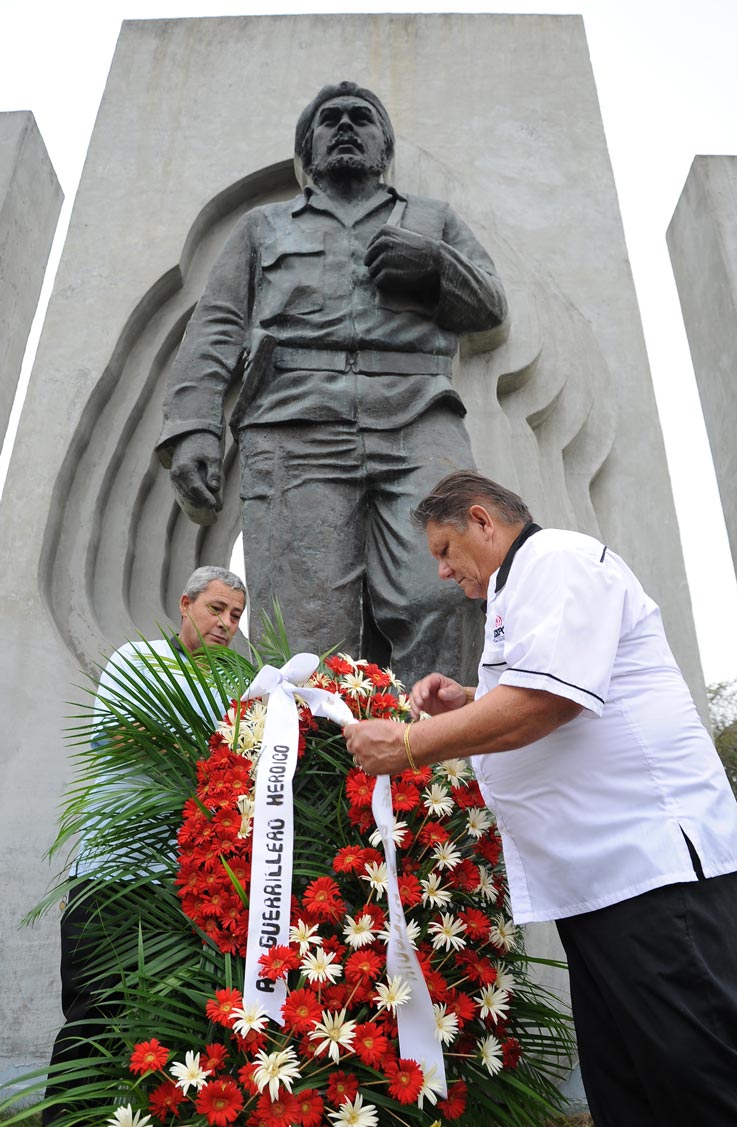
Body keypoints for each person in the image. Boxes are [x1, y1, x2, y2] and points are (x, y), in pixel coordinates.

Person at [343, 470, 737, 1126]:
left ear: (482, 520)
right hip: (601, 881)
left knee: (703, 1082)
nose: (443, 572)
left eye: (445, 550)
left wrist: (411, 744)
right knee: (633, 1092)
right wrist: (470, 700)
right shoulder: (516, 589)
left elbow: (548, 700)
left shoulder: (556, 560)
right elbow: (557, 687)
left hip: (652, 870)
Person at [156, 81, 508, 686]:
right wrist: (193, 428)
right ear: (308, 150)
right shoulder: (262, 227)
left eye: (362, 119)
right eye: (330, 120)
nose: (346, 126)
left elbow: (491, 306)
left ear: (384, 146)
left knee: (448, 593)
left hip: (418, 417)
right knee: (305, 631)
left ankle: (440, 771)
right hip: (294, 425)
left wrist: (434, 266)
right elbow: (215, 329)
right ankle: (319, 779)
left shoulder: (432, 220)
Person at [42, 566, 246, 1126]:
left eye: (235, 615)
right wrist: (205, 750)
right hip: (111, 878)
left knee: (162, 1035)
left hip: (178, 889)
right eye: (216, 609)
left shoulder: (234, 683)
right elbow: (121, 734)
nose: (227, 624)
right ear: (185, 604)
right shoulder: (137, 661)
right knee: (90, 1021)